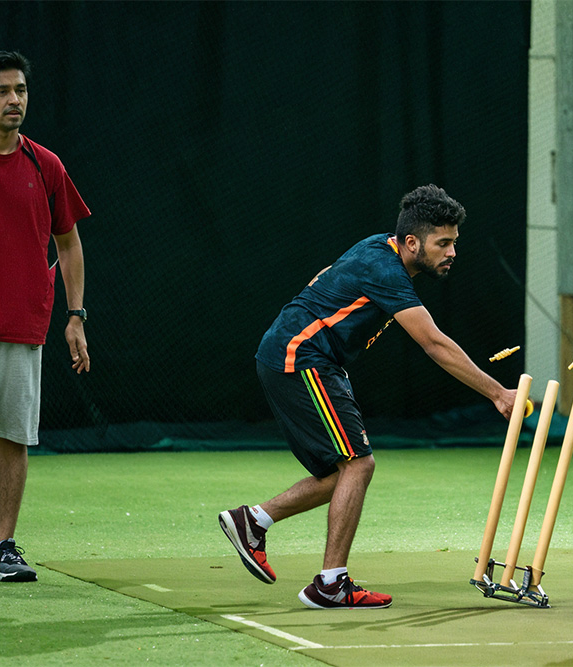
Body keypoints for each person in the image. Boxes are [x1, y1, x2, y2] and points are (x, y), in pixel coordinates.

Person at [219, 184, 518, 609]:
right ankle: (330, 584)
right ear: (412, 242)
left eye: (454, 242)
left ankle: (253, 521)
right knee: (359, 464)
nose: (452, 252)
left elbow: (323, 283)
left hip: (297, 357)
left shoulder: (380, 246)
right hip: (300, 359)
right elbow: (433, 343)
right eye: (443, 243)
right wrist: (497, 393)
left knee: (343, 475)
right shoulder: (387, 271)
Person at [0, 51, 92, 581]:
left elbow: (69, 243)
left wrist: (76, 315)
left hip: (24, 321)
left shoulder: (47, 164)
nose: (14, 100)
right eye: (1, 91)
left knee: (13, 437)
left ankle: (3, 548)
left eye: (20, 90)